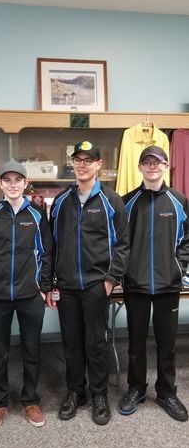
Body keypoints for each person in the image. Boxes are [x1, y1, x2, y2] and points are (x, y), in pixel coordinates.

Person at [46, 141, 130, 425]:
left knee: (96, 342)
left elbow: (123, 245)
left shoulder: (111, 201)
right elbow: (51, 246)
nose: (81, 165)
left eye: (88, 160)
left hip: (96, 285)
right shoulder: (60, 202)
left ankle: (99, 394)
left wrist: (110, 280)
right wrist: (51, 282)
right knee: (71, 342)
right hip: (67, 286)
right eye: (77, 160)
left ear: (98, 165)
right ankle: (75, 391)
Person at [0, 160, 53, 430]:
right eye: (7, 180)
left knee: (32, 350)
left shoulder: (38, 215)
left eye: (17, 180)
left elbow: (46, 253)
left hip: (30, 295)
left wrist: (43, 287)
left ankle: (30, 400)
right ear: (0, 184)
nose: (13, 185)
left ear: (25, 183)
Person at [118, 145, 189, 422]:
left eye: (157, 162)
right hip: (135, 284)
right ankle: (136, 387)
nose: (152, 166)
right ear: (139, 167)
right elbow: (120, 242)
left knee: (167, 343)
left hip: (168, 285)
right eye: (146, 162)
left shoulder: (179, 201)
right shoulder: (127, 201)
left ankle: (166, 391)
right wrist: (124, 273)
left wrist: (178, 267)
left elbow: (186, 241)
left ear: (166, 165)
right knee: (136, 342)